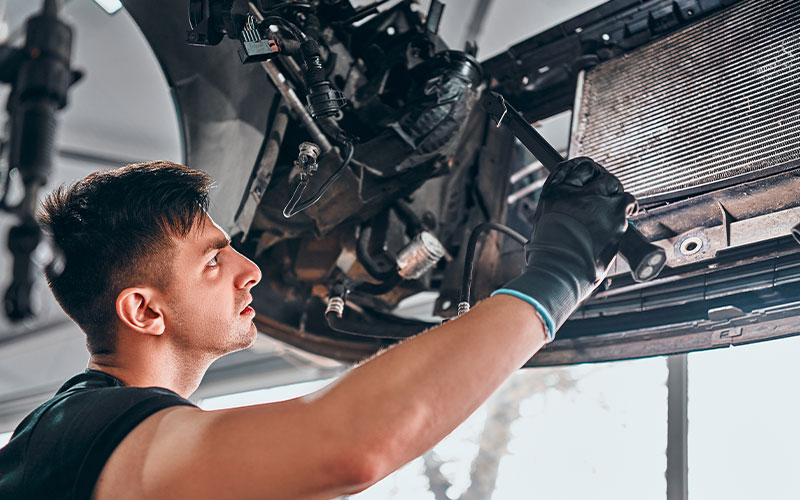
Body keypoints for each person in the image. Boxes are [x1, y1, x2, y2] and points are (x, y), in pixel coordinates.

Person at [0, 157, 635, 499]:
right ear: (144, 311)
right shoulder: (77, 434)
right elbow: (346, 445)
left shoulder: (77, 434)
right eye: (214, 260)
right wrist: (561, 272)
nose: (250, 270)